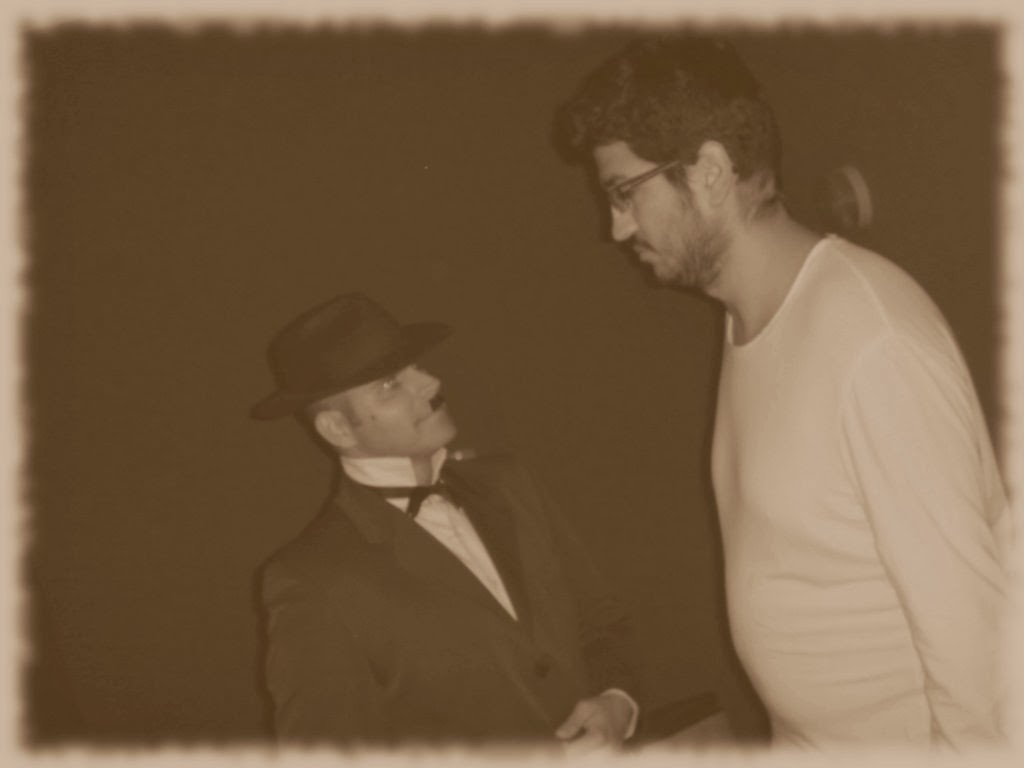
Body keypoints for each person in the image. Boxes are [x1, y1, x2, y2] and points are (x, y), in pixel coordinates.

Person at [556, 36, 1011, 748]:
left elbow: (976, 644)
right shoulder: (750, 320)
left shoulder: (872, 343)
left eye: (623, 193)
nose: (617, 227)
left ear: (709, 172)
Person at [250, 292, 640, 750]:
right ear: (337, 428)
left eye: (418, 367)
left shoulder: (510, 483)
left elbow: (600, 620)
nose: (431, 383)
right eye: (390, 385)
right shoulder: (312, 578)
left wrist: (618, 700)